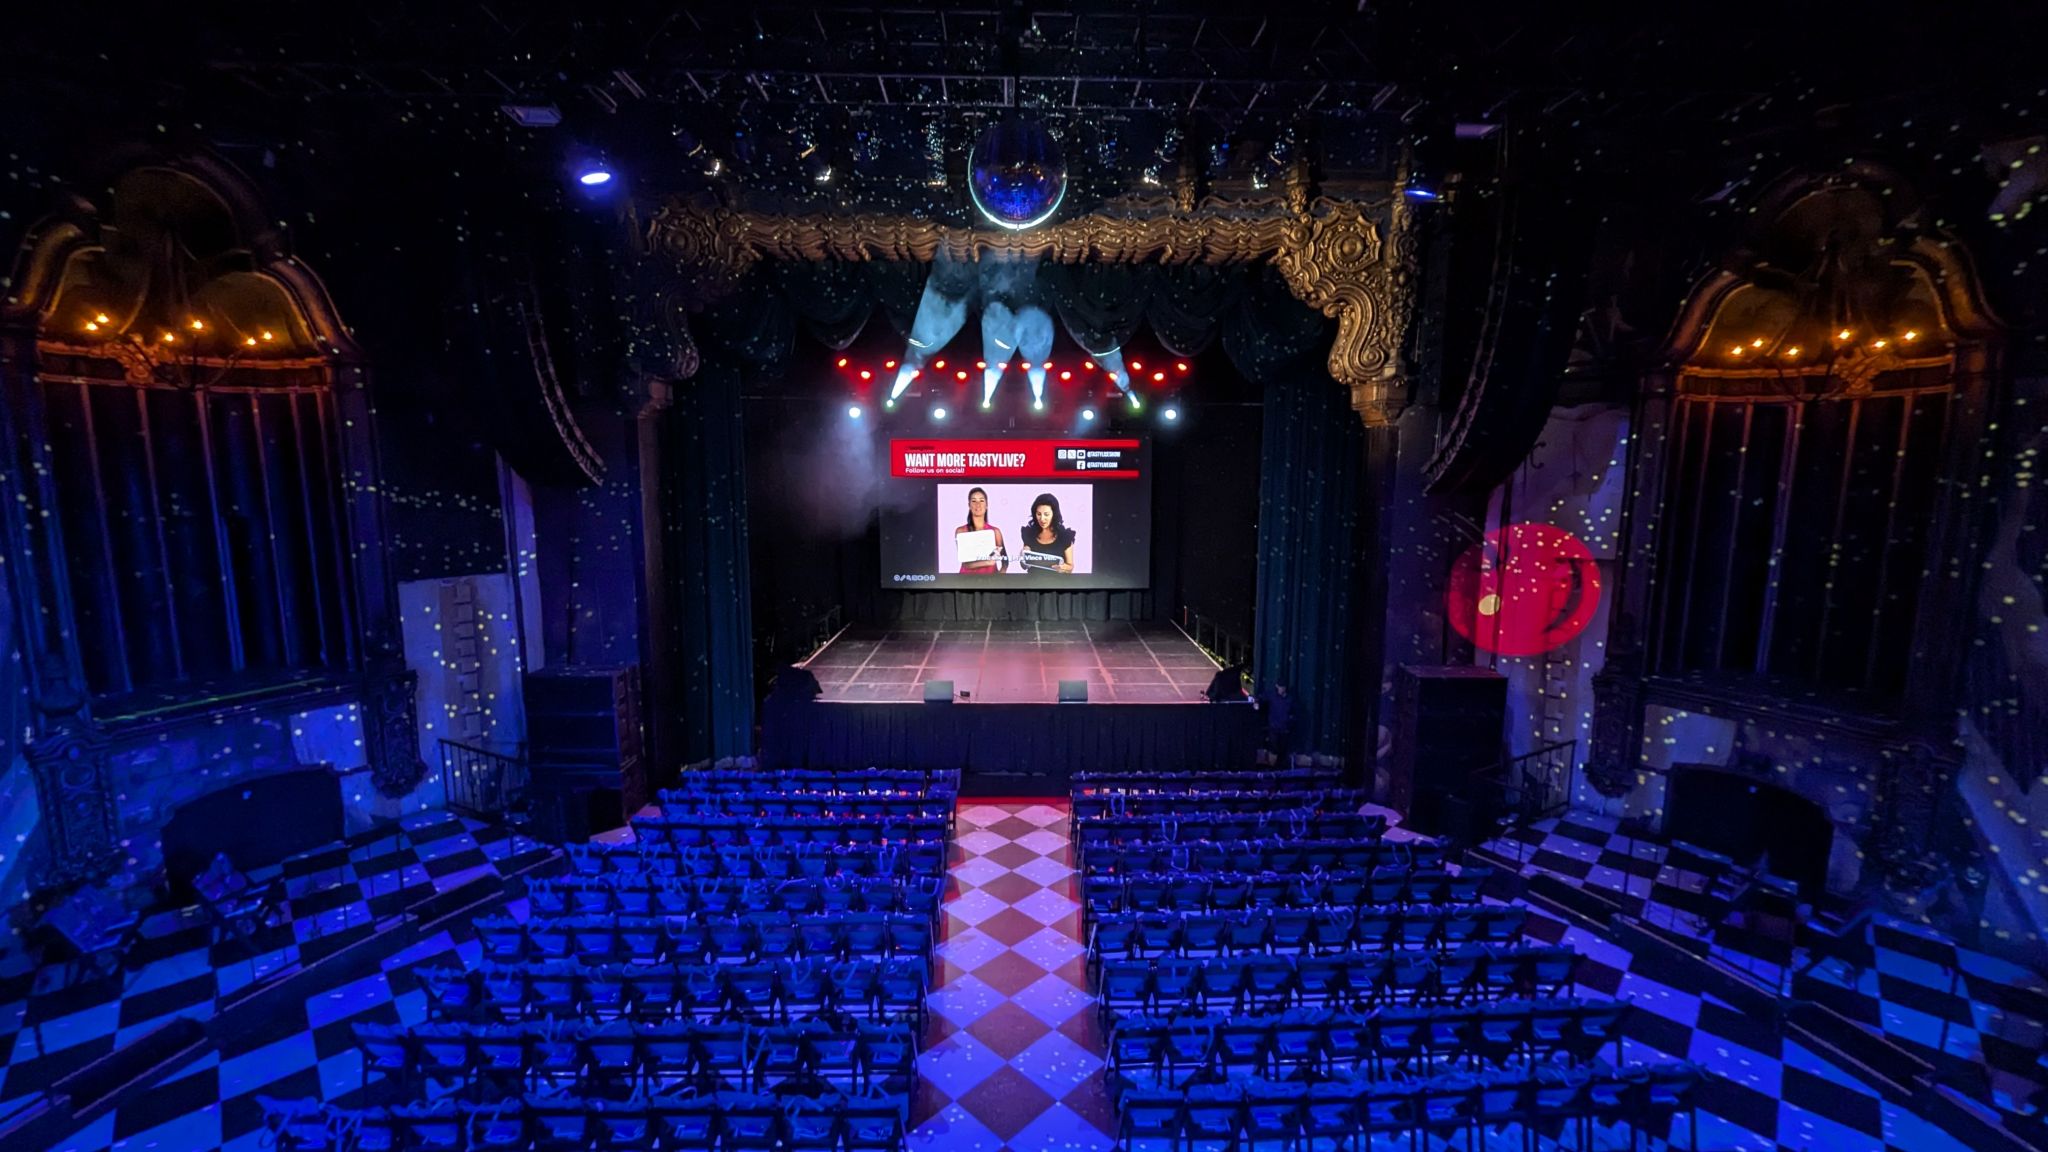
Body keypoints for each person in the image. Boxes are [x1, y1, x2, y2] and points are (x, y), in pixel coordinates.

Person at [953, 487, 1008, 574]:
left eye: (981, 501)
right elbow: (966, 564)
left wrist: (1001, 575)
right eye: (974, 501)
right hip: (965, 581)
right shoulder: (961, 531)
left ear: (987, 505)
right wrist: (988, 562)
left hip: (990, 582)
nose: (978, 505)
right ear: (969, 505)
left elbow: (1005, 560)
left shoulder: (995, 532)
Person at [1018, 493, 1076, 574]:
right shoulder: (1029, 533)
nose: (1042, 519)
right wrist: (1023, 557)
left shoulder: (1065, 536)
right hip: (1033, 582)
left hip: (1058, 583)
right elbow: (1024, 566)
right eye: (1038, 514)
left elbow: (1070, 566)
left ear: (1054, 514)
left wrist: (1063, 568)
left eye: (1046, 514)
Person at [1257, 681, 1293, 758]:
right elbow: (1261, 699)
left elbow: (1293, 712)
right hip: (1273, 726)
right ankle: (1273, 765)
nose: (1281, 689)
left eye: (1282, 687)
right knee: (1273, 747)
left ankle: (1281, 765)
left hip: (1284, 727)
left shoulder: (1289, 699)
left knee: (1283, 748)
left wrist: (1290, 721)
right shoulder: (1272, 696)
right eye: (1279, 687)